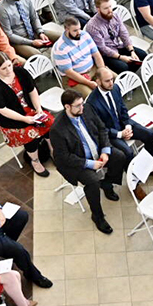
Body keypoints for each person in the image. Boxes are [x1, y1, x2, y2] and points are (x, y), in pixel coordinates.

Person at [51, 90, 127, 235]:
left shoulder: (87, 109)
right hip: (78, 162)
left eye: (82, 103)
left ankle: (107, 184)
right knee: (92, 182)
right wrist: (90, 164)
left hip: (97, 151)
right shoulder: (57, 129)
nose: (82, 108)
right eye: (78, 106)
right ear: (67, 107)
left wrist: (105, 150)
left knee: (120, 157)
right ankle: (97, 216)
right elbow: (63, 157)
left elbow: (102, 129)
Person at [0, 52, 53, 176]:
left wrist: (38, 109)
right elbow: (2, 109)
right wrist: (25, 119)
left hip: (30, 109)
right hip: (12, 119)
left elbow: (32, 90)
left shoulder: (21, 72)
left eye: (9, 65)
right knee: (30, 135)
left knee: (49, 123)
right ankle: (35, 160)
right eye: (3, 68)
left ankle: (52, 149)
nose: (8, 70)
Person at [86, 0, 142, 73]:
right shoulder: (92, 26)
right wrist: (121, 57)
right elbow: (102, 48)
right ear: (98, 9)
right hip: (106, 54)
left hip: (117, 45)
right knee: (124, 67)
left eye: (110, 6)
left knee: (142, 55)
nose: (110, 10)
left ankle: (135, 74)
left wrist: (131, 51)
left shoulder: (115, 15)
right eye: (106, 8)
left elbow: (124, 33)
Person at [51, 17, 105, 96]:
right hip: (75, 78)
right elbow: (69, 73)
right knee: (92, 96)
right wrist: (89, 83)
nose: (79, 32)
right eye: (75, 30)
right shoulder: (60, 48)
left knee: (114, 80)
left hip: (93, 69)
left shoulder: (84, 35)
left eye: (79, 29)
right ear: (66, 29)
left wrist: (102, 70)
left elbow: (96, 54)